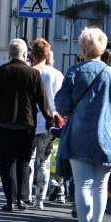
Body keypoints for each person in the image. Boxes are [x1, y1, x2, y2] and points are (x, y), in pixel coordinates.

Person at [54, 27, 111, 222]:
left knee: (83, 185)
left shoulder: (75, 72)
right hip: (108, 138)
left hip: (80, 136)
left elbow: (62, 105)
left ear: (83, 49)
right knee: (100, 186)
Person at [0, 38, 54, 212]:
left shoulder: (1, 72)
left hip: (5, 123)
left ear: (9, 53)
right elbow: (42, 101)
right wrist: (49, 120)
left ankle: (9, 201)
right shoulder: (33, 74)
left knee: (7, 163)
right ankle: (22, 198)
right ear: (24, 54)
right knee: (23, 162)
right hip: (26, 124)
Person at [28, 39, 64, 209]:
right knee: (44, 162)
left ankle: (25, 194)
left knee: (28, 161)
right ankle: (39, 199)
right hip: (49, 122)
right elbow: (62, 101)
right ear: (48, 54)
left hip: (29, 121)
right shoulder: (57, 74)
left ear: (32, 54)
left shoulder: (28, 72)